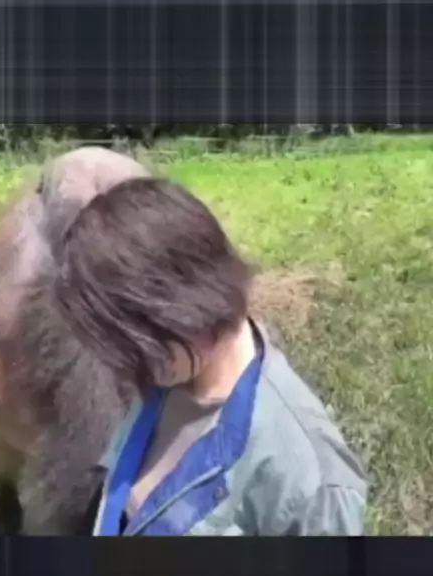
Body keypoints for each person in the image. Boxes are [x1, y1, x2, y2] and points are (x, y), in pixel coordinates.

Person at [53, 175, 368, 536]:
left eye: (135, 337)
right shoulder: (162, 373)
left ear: (187, 301)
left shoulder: (308, 477)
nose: (125, 359)